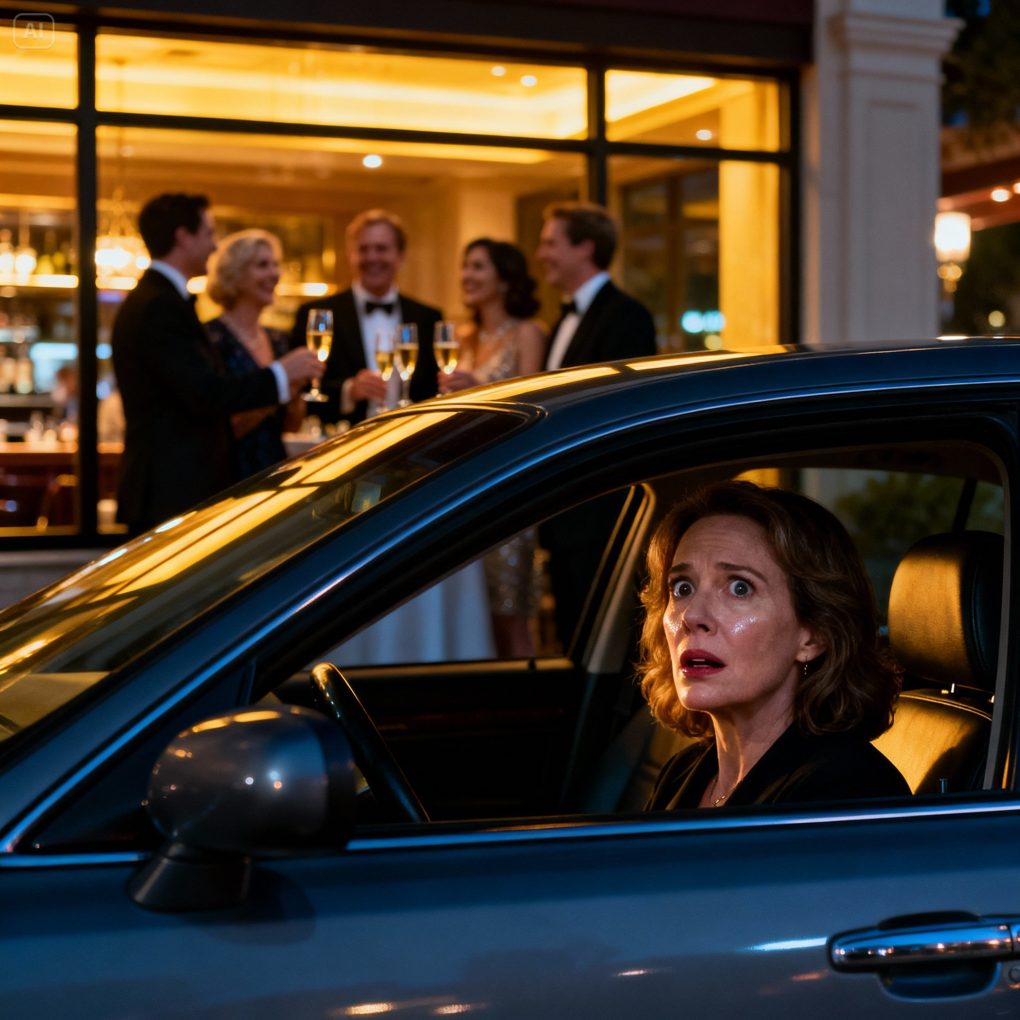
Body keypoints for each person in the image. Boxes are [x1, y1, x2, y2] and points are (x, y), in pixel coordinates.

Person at [639, 479, 910, 810]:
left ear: (814, 635)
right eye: (682, 588)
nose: (691, 615)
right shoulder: (681, 772)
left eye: (739, 588)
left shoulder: (852, 790)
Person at [111, 192, 322, 535]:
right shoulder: (159, 305)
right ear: (183, 236)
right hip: (170, 487)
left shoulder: (161, 299)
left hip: (177, 485)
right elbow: (205, 393)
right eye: (209, 233)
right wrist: (281, 374)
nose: (214, 245)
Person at [535, 201, 658, 651]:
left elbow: (622, 416)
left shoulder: (627, 317)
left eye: (550, 243)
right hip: (567, 510)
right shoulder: (563, 321)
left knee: (603, 644)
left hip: (600, 513)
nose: (541, 254)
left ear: (585, 247)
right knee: (571, 636)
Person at [438, 238, 547, 656]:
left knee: (509, 615)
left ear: (504, 279)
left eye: (478, 267)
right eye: (465, 266)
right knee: (471, 616)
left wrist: (481, 389)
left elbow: (536, 409)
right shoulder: (460, 337)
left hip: (508, 484)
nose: (467, 275)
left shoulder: (527, 332)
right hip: (465, 487)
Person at [290, 209, 441, 425]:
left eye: (381, 249)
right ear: (350, 255)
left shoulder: (427, 318)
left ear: (400, 255)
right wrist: (348, 391)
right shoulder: (317, 314)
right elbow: (298, 390)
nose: (372, 257)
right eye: (363, 249)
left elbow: (434, 392)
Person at [205, 228, 304, 479]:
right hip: (228, 474)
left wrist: (297, 391)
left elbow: (291, 426)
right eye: (262, 265)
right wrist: (278, 384)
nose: (274, 273)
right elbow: (219, 429)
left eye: (275, 264)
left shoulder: (278, 339)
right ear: (235, 274)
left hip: (274, 470)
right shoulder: (212, 339)